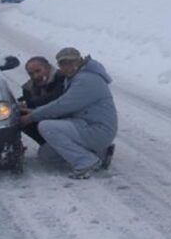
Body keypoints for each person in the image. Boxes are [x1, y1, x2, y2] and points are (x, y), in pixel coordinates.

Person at [19, 47, 117, 179]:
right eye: (63, 63)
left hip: (97, 129)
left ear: (80, 60)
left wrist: (32, 116)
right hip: (85, 125)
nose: (67, 66)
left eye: (70, 62)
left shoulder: (87, 79)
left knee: (46, 127)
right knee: (46, 155)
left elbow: (63, 105)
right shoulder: (74, 77)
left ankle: (86, 161)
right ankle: (100, 153)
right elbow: (63, 105)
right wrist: (34, 111)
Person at [18, 56, 65, 145]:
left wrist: (28, 104)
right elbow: (26, 100)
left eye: (38, 71)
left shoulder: (62, 78)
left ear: (48, 67)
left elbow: (55, 97)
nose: (35, 76)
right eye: (31, 74)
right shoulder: (29, 88)